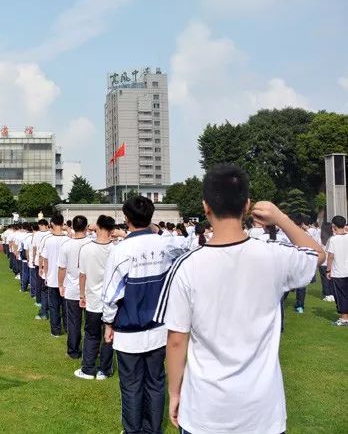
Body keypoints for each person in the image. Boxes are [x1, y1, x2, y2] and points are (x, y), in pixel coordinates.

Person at [155, 164, 324, 434]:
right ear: (247, 205)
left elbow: (176, 340)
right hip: (261, 412)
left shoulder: (187, 266)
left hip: (205, 411)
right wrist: (280, 217)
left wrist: (174, 393)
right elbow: (318, 254)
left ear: (205, 206)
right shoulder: (273, 256)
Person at [101, 196, 189, 434]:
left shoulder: (121, 251)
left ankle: (133, 430)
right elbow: (188, 243)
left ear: (126, 220)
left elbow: (110, 295)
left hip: (130, 331)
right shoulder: (166, 244)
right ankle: (152, 429)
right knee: (155, 381)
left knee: (131, 385)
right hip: (160, 329)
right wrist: (158, 230)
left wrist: (108, 322)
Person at [73, 215, 117, 380]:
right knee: (108, 334)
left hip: (93, 298)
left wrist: (82, 294)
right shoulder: (116, 248)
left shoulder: (86, 249)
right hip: (111, 300)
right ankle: (103, 369)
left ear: (97, 227)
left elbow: (82, 275)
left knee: (92, 334)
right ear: (112, 230)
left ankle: (89, 368)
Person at [57, 215, 91, 359]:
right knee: (89, 324)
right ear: (86, 227)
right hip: (89, 289)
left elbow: (62, 268)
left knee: (74, 322)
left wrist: (60, 285)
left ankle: (73, 351)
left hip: (73, 288)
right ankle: (89, 352)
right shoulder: (92, 243)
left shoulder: (67, 245)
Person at [40, 214, 70, 337]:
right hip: (66, 279)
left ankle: (56, 330)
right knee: (65, 307)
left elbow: (45, 260)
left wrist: (46, 275)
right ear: (62, 224)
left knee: (54, 306)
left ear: (51, 224)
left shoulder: (48, 240)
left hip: (53, 278)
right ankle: (68, 329)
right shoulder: (68, 239)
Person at [327, 215, 348, 326]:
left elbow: (330, 256)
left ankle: (344, 319)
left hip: (339, 272)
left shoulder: (333, 240)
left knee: (341, 296)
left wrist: (328, 270)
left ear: (334, 226)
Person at [32, 219, 51, 320]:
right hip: (50, 263)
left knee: (40, 284)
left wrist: (33, 258)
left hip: (40, 261)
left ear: (41, 225)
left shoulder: (37, 234)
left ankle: (40, 303)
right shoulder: (50, 234)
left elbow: (35, 248)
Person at [319, 221, 335, 302]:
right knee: (331, 279)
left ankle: (327, 294)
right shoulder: (333, 238)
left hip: (323, 262)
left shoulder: (320, 238)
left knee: (324, 280)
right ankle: (332, 294)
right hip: (331, 262)